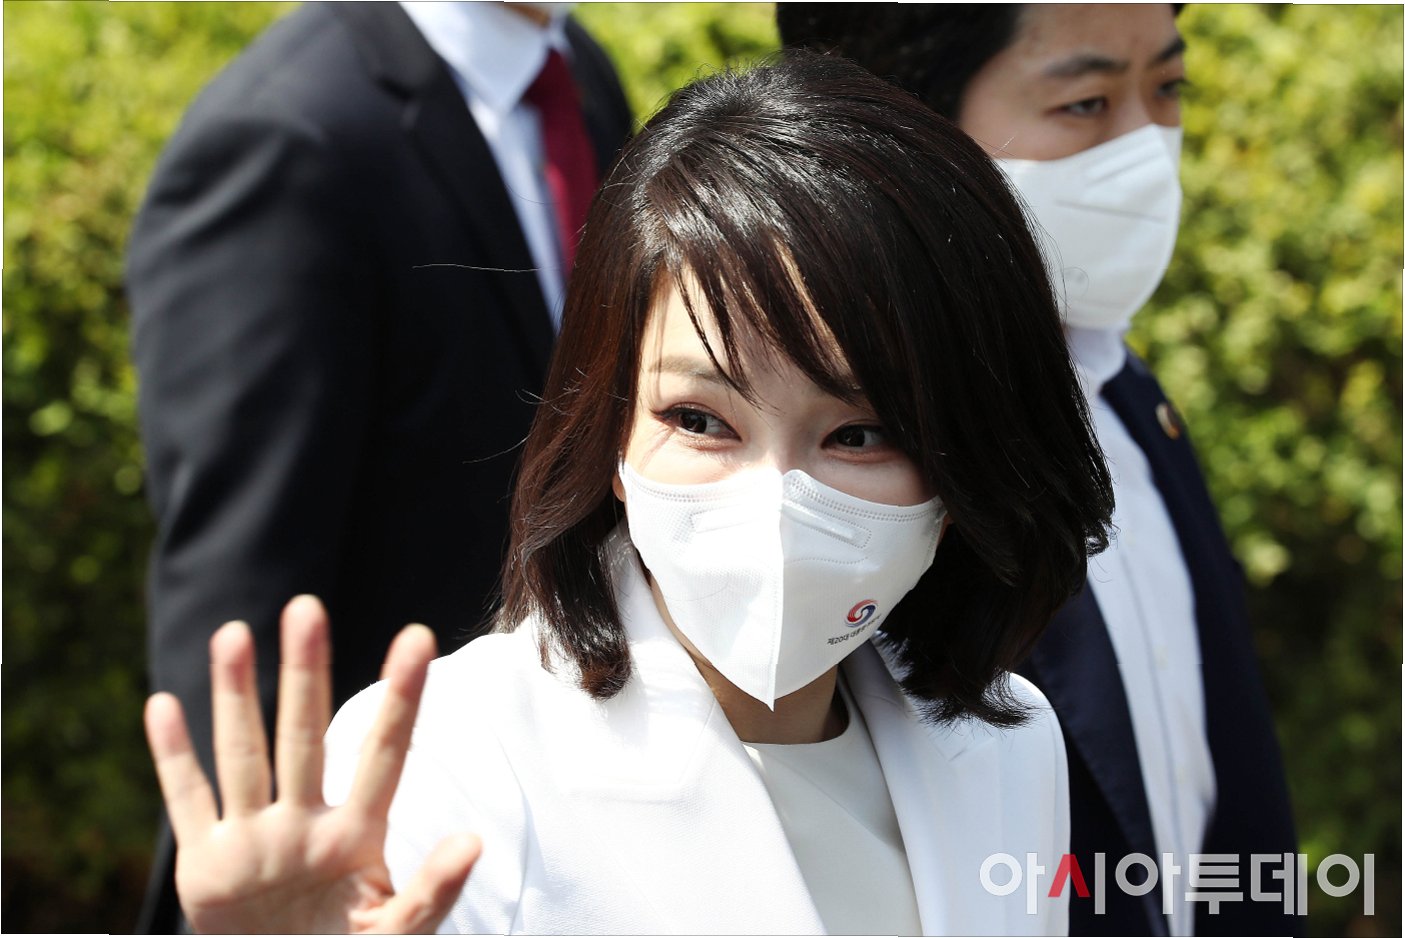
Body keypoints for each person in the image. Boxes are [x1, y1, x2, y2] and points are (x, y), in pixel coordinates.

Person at [143, 54, 1116, 935]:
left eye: (857, 435)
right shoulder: (446, 762)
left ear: (967, 454)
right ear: (611, 427)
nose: (775, 501)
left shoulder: (1010, 749)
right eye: (699, 419)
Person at [776, 5, 1299, 936]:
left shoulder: (1127, 393)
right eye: (1086, 102)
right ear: (902, 125)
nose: (1144, 148)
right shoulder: (849, 469)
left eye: (1167, 88)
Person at [125, 3, 631, 931]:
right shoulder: (286, 137)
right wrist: (263, 901)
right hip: (386, 861)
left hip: (577, 828)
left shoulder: (578, 79)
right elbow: (244, 576)